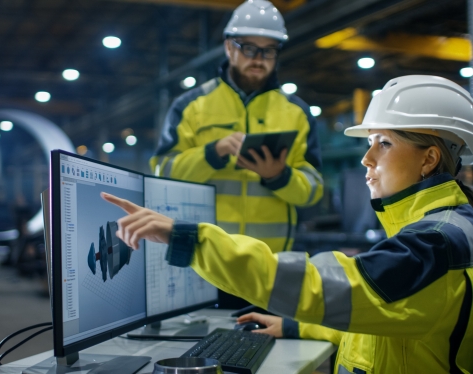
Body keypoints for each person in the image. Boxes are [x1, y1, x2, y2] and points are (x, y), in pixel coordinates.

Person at [104, 75, 473, 373]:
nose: (367, 157)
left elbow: (332, 286)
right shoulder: (435, 228)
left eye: (384, 143)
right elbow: (383, 316)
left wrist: (189, 239)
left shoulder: (437, 244)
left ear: (429, 159)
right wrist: (298, 326)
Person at [149, 0, 324, 254]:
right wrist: (213, 153)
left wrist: (279, 176)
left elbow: (314, 190)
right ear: (229, 47)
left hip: (269, 263)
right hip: (205, 258)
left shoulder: (297, 113)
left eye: (269, 50)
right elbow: (162, 173)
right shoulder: (191, 106)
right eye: (249, 48)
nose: (259, 59)